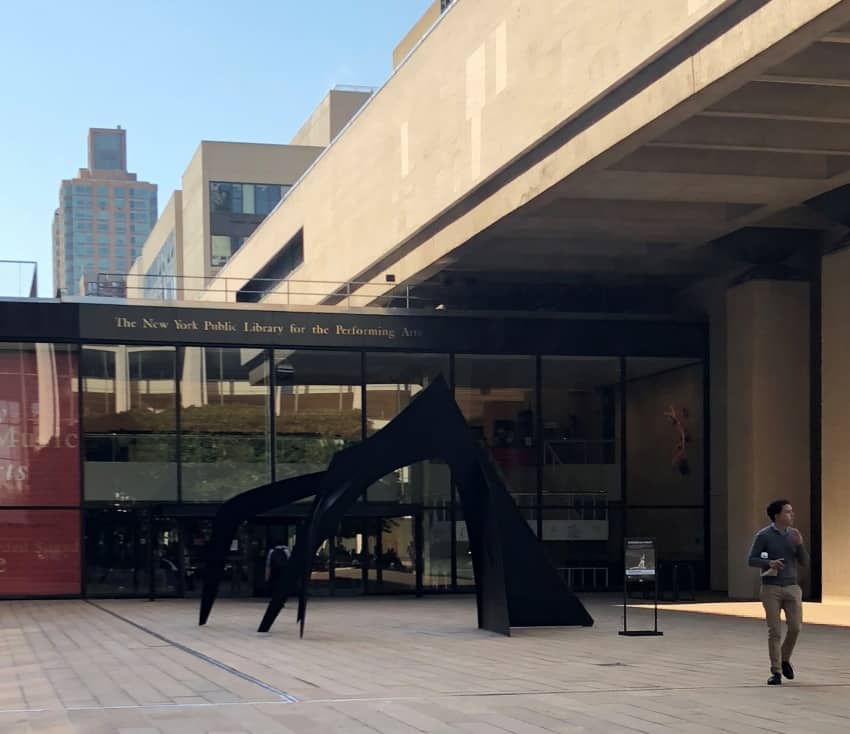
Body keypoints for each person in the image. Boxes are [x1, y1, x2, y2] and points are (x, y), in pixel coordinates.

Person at [747, 499, 809, 685]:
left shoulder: (794, 535)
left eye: (791, 511)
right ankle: (776, 671)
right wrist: (769, 563)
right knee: (774, 631)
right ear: (777, 515)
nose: (792, 515)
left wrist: (800, 545)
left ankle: (785, 658)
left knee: (796, 627)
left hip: (792, 586)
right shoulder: (764, 535)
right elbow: (751, 560)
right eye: (788, 512)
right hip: (771, 587)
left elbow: (805, 562)